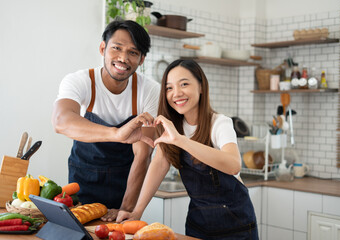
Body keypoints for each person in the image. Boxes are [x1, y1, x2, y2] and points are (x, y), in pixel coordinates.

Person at [117, 59, 259, 239]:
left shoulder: (220, 123)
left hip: (236, 227)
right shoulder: (173, 126)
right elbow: (160, 163)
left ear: (201, 86)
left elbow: (233, 164)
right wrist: (137, 211)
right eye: (169, 88)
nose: (176, 93)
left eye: (184, 84)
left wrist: (180, 140)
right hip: (198, 225)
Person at [51, 20, 160, 221]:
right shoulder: (80, 81)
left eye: (133, 53)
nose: (123, 58)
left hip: (125, 185)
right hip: (82, 180)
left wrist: (126, 208)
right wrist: (117, 134)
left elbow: (143, 154)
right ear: (103, 48)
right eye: (117, 48)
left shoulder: (150, 90)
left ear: (142, 59)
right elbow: (61, 121)